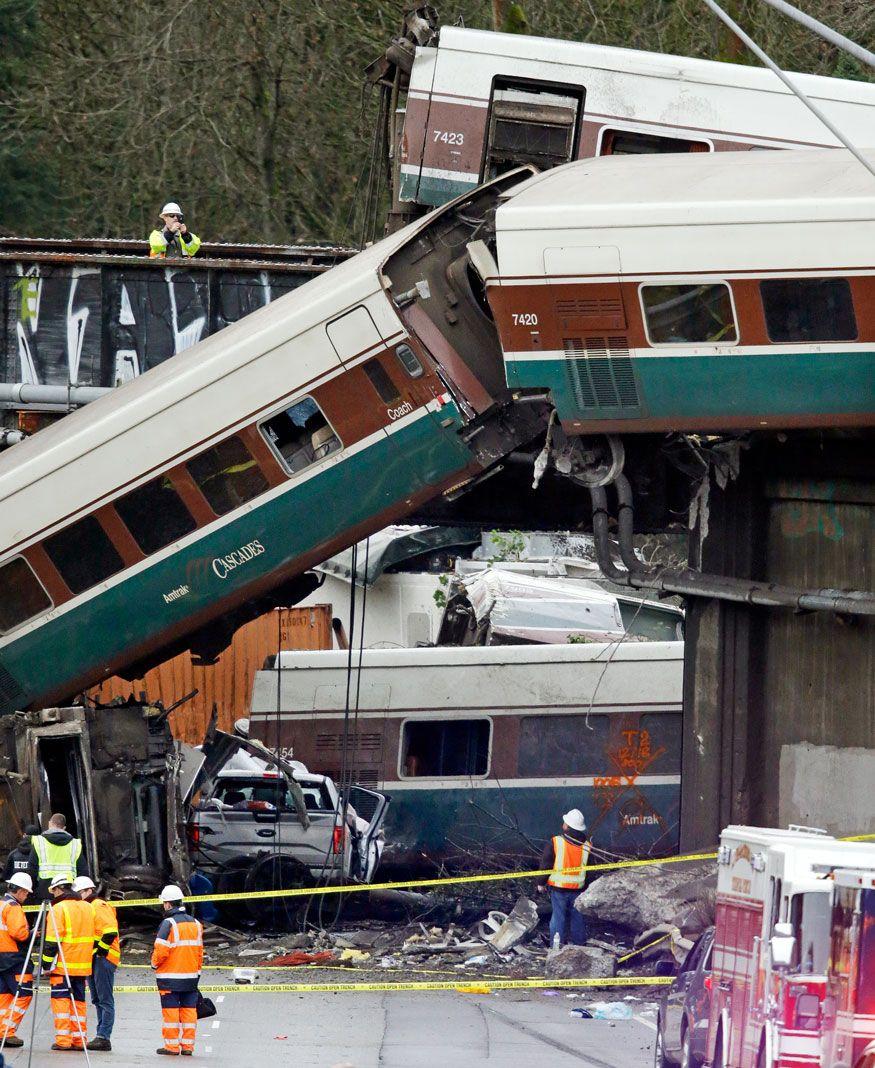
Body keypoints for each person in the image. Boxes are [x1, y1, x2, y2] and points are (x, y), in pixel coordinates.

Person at [41, 873, 94, 1051]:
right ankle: (80, 1040)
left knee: (61, 1002)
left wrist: (46, 965)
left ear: (58, 889)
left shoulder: (58, 909)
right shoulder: (87, 907)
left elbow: (51, 941)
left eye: (53, 890)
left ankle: (63, 1040)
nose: (53, 895)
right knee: (79, 1003)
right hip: (82, 966)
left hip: (63, 966)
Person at [151, 885, 203, 1057]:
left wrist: (153, 964)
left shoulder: (168, 924)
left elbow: (161, 951)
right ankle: (188, 1047)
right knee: (189, 1012)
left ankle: (172, 1047)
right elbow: (199, 952)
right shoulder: (196, 924)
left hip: (169, 978)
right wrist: (197, 973)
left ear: (167, 904)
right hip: (190, 977)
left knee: (171, 1013)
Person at [73, 876, 118, 1052]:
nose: (77, 896)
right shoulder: (89, 907)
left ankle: (103, 1037)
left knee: (104, 1000)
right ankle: (101, 1035)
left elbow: (110, 931)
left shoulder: (98, 905)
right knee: (98, 999)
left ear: (88, 891)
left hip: (103, 959)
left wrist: (100, 952)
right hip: (95, 958)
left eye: (79, 893)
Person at [536, 808, 592, 947]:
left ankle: (556, 947)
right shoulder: (587, 846)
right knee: (577, 917)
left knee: (558, 918)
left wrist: (541, 883)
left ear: (567, 826)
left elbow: (546, 864)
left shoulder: (556, 842)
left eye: (565, 823)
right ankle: (579, 945)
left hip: (559, 889)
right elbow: (590, 871)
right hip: (578, 889)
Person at [0, 873, 34, 1049]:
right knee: (24, 993)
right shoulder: (13, 907)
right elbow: (19, 934)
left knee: (4, 996)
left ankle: (1, 1031)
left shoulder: (1, 904)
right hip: (14, 958)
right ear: (20, 891)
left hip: (2, 958)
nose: (27, 896)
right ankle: (7, 1032)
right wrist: (33, 934)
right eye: (26, 893)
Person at [28, 814, 88, 901]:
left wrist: (33, 891)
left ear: (49, 824)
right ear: (64, 828)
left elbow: (32, 870)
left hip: (45, 891)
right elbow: (83, 871)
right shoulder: (75, 844)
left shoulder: (39, 842)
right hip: (68, 890)